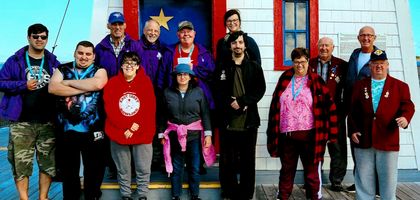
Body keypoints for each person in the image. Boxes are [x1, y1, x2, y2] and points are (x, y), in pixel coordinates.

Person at [266, 47, 338, 200]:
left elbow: (330, 107)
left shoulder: (317, 81)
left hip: (310, 136)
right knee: (286, 171)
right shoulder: (285, 78)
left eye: (303, 62)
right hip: (287, 136)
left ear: (308, 62)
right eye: (296, 62)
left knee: (312, 173)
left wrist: (332, 134)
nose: (300, 65)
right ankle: (283, 197)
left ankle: (313, 197)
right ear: (292, 63)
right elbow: (274, 105)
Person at [0, 23, 60, 200]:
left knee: (48, 164)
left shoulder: (52, 61)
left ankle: (43, 197)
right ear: (28, 38)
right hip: (21, 121)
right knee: (20, 164)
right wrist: (22, 85)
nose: (39, 39)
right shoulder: (15, 60)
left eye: (43, 37)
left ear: (47, 39)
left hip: (47, 121)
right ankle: (24, 198)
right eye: (35, 36)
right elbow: (2, 82)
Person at [348, 50, 415, 200]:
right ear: (370, 66)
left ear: (387, 65)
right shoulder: (359, 86)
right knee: (363, 180)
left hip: (387, 139)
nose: (379, 66)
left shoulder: (400, 86)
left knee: (388, 181)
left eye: (382, 63)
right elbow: (352, 111)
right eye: (375, 63)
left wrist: (405, 117)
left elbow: (408, 106)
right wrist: (352, 131)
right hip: (363, 139)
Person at [49, 41, 108, 200]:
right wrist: (85, 87)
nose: (84, 57)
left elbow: (98, 83)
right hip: (67, 129)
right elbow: (53, 88)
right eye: (81, 53)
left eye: (88, 54)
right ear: (75, 53)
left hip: (93, 129)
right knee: (69, 170)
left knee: (94, 168)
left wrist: (67, 83)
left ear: (93, 56)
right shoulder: (62, 69)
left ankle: (92, 196)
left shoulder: (99, 70)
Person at [213, 31, 265, 200]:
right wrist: (230, 102)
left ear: (245, 45)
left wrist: (243, 101)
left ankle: (246, 193)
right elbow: (216, 90)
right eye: (234, 43)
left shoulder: (254, 67)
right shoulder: (221, 67)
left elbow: (260, 89)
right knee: (228, 160)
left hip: (248, 121)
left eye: (240, 42)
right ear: (230, 46)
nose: (237, 46)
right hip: (228, 120)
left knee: (248, 161)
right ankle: (229, 192)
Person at [94, 11, 142, 179]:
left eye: (120, 24)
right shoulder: (99, 48)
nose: (117, 27)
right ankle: (113, 166)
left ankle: (133, 168)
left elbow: (140, 70)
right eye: (114, 24)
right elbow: (95, 71)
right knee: (111, 130)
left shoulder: (135, 45)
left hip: (130, 97)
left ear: (125, 26)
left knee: (131, 129)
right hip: (108, 96)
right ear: (108, 26)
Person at [103, 52, 156, 200]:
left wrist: (134, 128)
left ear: (138, 66)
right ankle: (125, 195)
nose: (129, 66)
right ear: (121, 65)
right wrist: (126, 126)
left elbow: (149, 108)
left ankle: (142, 195)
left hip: (142, 132)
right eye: (126, 63)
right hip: (118, 131)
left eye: (133, 63)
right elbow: (110, 108)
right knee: (123, 169)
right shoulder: (112, 83)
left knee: (143, 168)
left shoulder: (145, 82)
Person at [158, 64, 215, 200]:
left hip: (194, 136)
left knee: (194, 166)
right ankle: (176, 195)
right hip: (174, 135)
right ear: (175, 77)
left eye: (185, 74)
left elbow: (205, 114)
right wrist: (161, 134)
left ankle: (194, 194)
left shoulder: (198, 92)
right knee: (176, 167)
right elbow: (162, 115)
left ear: (190, 77)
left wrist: (208, 134)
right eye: (179, 74)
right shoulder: (167, 93)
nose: (182, 77)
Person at [309, 37, 348, 191]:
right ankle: (312, 179)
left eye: (327, 45)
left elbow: (348, 88)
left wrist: (344, 110)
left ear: (333, 47)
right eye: (321, 45)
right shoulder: (309, 64)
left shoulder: (342, 65)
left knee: (337, 147)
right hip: (313, 114)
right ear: (317, 47)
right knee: (314, 147)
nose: (324, 48)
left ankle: (337, 180)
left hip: (335, 113)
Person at [346, 25, 379, 192]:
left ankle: (377, 186)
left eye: (369, 35)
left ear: (374, 38)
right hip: (353, 107)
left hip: (370, 108)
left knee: (373, 148)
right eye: (363, 36)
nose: (366, 38)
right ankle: (359, 182)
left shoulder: (379, 57)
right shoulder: (354, 54)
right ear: (358, 38)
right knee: (356, 146)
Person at [157, 20, 215, 110]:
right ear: (178, 35)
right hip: (174, 98)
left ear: (194, 33)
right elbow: (161, 78)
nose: (186, 34)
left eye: (189, 31)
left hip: (198, 100)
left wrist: (195, 69)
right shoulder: (169, 53)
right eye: (182, 32)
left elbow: (212, 75)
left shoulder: (204, 53)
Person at [138, 19, 166, 171]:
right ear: (144, 31)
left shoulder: (164, 50)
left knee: (159, 126)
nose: (153, 33)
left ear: (159, 33)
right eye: (150, 30)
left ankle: (158, 158)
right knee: (142, 126)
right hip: (140, 95)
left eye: (156, 31)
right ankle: (144, 160)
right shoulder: (135, 47)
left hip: (159, 95)